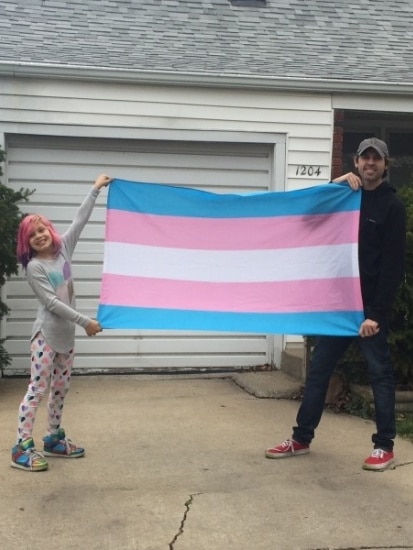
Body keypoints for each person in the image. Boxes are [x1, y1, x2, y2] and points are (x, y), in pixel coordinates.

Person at [265, 137, 406, 471]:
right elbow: (305, 216)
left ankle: (384, 447)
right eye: (364, 158)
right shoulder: (343, 197)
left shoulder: (392, 207)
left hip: (367, 312)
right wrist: (335, 182)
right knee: (319, 374)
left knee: (380, 377)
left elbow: (392, 267)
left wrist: (376, 314)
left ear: (385, 165)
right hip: (338, 307)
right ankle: (301, 439)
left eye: (377, 159)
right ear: (356, 162)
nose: (370, 164)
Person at [11, 173, 112, 471]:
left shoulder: (63, 249)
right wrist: (86, 322)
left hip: (67, 338)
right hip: (46, 337)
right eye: (33, 234)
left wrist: (95, 189)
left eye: (42, 230)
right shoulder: (35, 267)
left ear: (49, 230)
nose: (39, 236)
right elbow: (52, 303)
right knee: (38, 389)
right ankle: (20, 447)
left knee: (61, 389)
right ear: (27, 242)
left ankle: (53, 438)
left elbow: (80, 220)